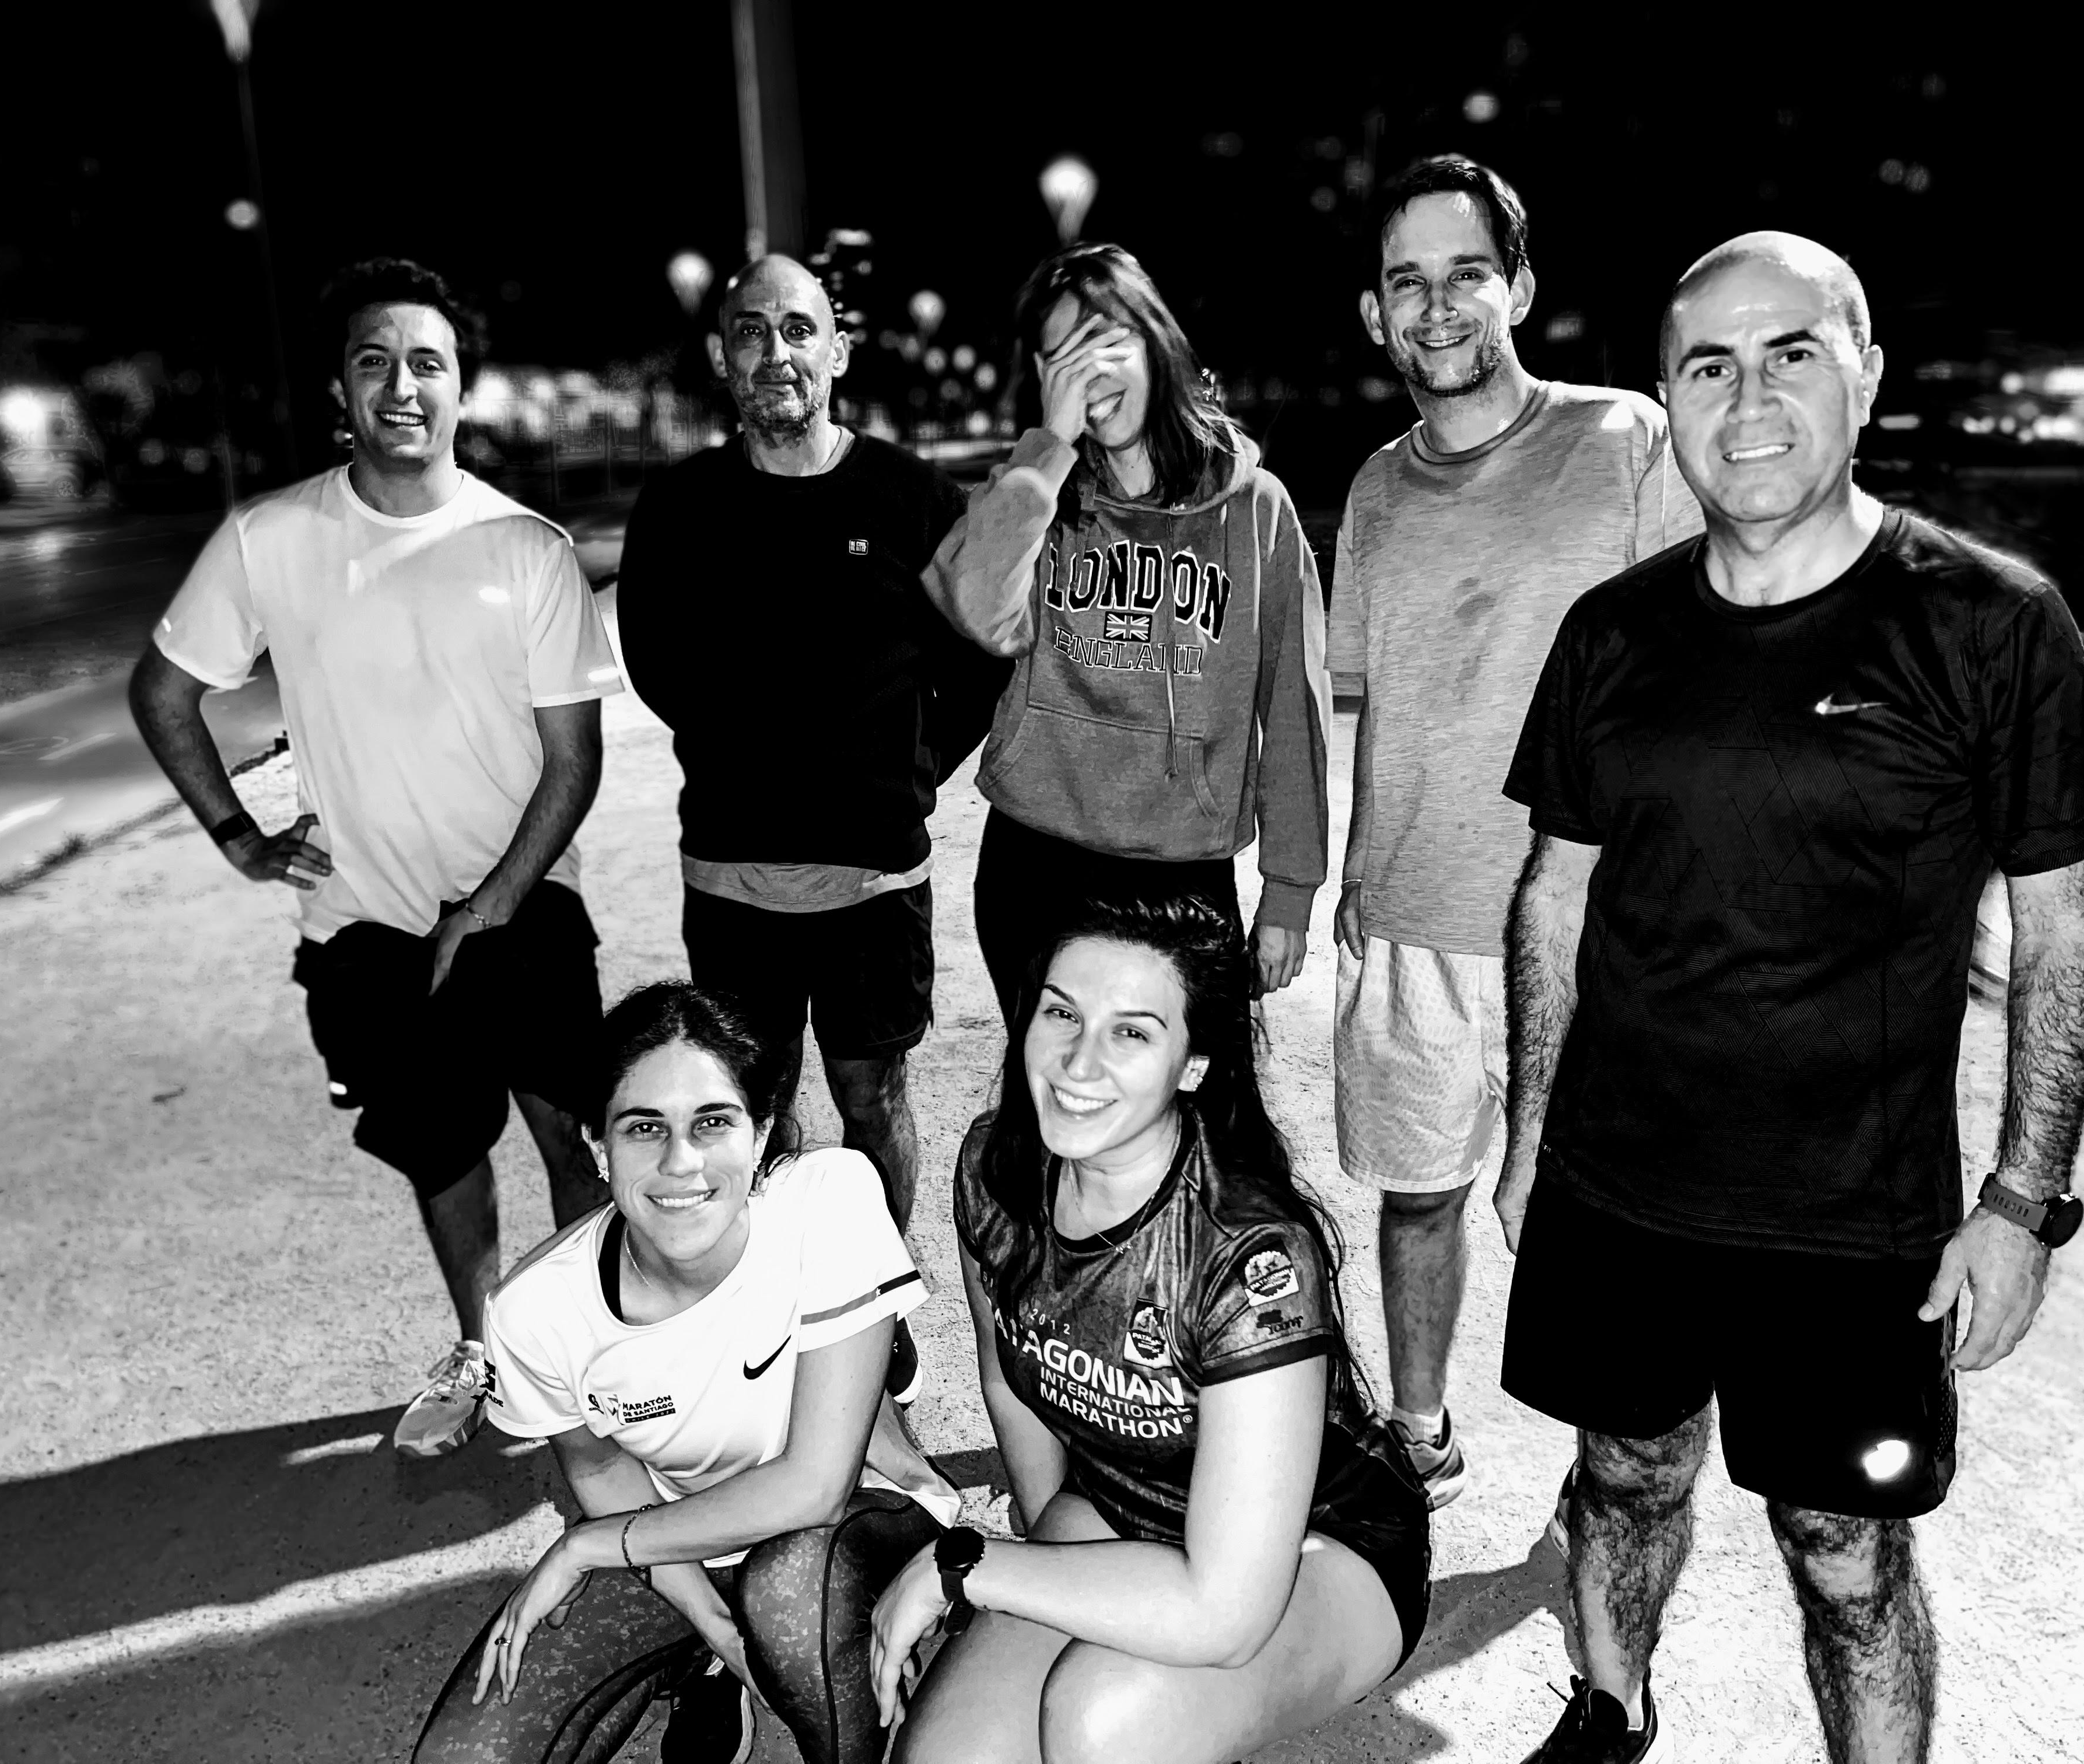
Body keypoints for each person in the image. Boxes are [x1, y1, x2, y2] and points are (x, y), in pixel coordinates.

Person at [1495, 233, 2084, 1762]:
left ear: (1866, 378)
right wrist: (1530, 1132)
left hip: (1852, 1224)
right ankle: (1612, 1703)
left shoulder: (1989, 622)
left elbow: (2063, 935)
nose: (1749, 395)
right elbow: (1556, 893)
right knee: (1623, 1474)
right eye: (1709, 363)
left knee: (1847, 1561)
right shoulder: (1614, 634)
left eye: (1792, 352)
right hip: (1620, 1188)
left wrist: (2024, 1203)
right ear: (1668, 396)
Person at [131, 258, 625, 1460]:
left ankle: (599, 1353)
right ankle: (488, 1345)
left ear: (463, 388)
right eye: (374, 363)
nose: (402, 385)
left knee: (575, 1141)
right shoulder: (271, 539)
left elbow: (574, 764)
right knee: (442, 1152)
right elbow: (164, 692)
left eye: (427, 363)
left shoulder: (525, 548)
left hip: (522, 913)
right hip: (362, 935)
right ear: (340, 395)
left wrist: (493, 903)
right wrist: (241, 839)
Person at [1329, 155, 1703, 1512]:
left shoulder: (1624, 441)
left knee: (1608, 1222)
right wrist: (1353, 879)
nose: (1436, 307)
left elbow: (1709, 658)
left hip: (1595, 924)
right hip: (1415, 919)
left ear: (1521, 288)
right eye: (1405, 281)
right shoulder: (1372, 491)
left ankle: (1610, 1473)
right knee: (1418, 1193)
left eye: (1464, 273)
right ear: (1376, 313)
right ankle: (1417, 1432)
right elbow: (1363, 702)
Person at [871, 895, 1430, 1764]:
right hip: (1115, 1499)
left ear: (1194, 1062)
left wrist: (971, 1567)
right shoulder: (995, 1168)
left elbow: (1225, 1611)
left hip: (1316, 1544)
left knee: (1104, 1715)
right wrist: (1041, 1569)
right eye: (1062, 1012)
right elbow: (1007, 1387)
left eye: (1131, 1033)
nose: (1078, 1061)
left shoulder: (1248, 1255)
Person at [616, 254, 1006, 1404]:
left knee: (874, 1093)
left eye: (800, 329)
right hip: (733, 878)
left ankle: (874, 1305)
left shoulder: (912, 498)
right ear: (724, 358)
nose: (776, 352)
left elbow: (980, 656)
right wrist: (760, 755)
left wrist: (912, 768)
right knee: (755, 1110)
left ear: (839, 349)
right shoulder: (681, 508)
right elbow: (660, 667)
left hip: (874, 880)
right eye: (751, 332)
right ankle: (777, 1304)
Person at [414, 981, 961, 1764]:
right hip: (678, 1548)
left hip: (855, 1525)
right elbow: (603, 1472)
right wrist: (715, 1624)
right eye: (644, 1128)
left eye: (713, 1122)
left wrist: (587, 1549)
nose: (681, 1161)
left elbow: (815, 1487)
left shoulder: (828, 1197)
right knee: (467, 1754)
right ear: (597, 1148)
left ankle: (874, 1690)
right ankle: (717, 1669)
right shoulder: (533, 1312)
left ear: (762, 1132)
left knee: (789, 1592)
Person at [922, 245, 1329, 1024]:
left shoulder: (1256, 511)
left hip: (1183, 870)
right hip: (1037, 864)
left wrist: (1289, 890)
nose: (1088, 374)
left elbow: (1293, 714)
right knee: (1050, 1110)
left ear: (1156, 342)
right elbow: (977, 608)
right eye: (1061, 358)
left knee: (1190, 1115)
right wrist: (1047, 450)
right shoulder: (1033, 496)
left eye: (1106, 342)